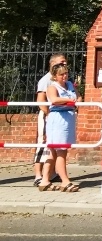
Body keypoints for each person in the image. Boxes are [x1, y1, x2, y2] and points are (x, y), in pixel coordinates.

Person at [38, 62, 79, 192]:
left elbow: (78, 96)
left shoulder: (70, 85)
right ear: (55, 76)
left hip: (68, 118)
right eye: (61, 74)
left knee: (53, 152)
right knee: (61, 151)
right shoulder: (52, 87)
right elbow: (54, 100)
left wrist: (75, 101)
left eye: (66, 73)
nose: (65, 76)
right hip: (58, 119)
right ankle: (65, 181)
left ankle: (45, 180)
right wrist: (70, 102)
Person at [33, 53, 66, 187]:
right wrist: (48, 114)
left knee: (54, 145)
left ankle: (51, 173)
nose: (64, 64)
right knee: (43, 143)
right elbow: (41, 101)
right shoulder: (45, 80)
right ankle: (38, 175)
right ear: (53, 63)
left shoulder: (62, 78)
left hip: (58, 117)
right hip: (47, 115)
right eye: (62, 62)